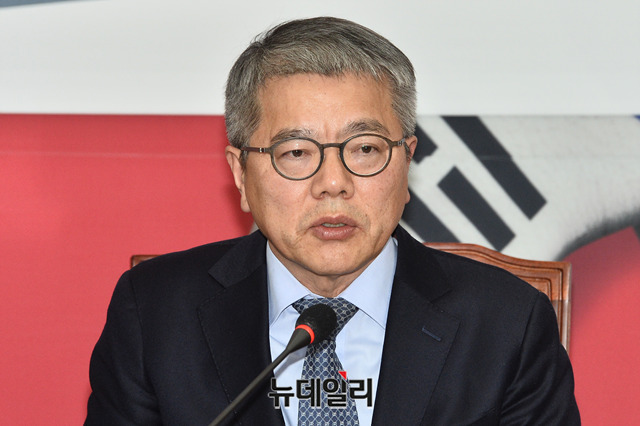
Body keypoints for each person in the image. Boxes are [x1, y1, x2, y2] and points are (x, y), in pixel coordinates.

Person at [85, 17, 580, 425]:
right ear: (241, 174)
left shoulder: (506, 324)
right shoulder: (155, 314)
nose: (333, 183)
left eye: (364, 149)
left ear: (406, 162)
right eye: (296, 152)